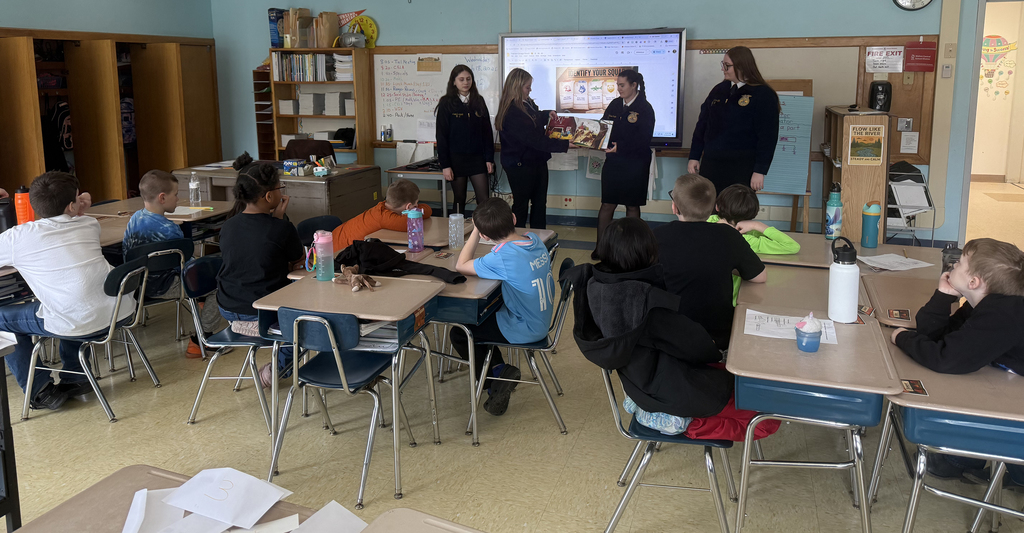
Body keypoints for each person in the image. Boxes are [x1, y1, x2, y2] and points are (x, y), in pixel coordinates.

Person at [565, 217, 779, 441]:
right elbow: (697, 348)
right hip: (672, 385)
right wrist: (715, 352)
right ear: (650, 252)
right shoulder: (648, 301)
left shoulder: (594, 287)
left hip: (639, 382)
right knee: (766, 418)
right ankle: (689, 424)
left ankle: (657, 410)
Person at [889, 238, 1024, 487]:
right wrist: (943, 296)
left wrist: (903, 338)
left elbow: (947, 359)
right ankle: (975, 462)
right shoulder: (988, 301)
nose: (952, 265)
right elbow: (942, 337)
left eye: (960, 262)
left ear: (974, 282)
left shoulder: (1002, 313)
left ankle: (1010, 470)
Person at [0, 172, 129, 410]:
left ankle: (39, 390)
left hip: (78, 320)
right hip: (117, 312)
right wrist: (80, 203)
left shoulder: (17, 238)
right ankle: (76, 377)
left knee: (4, 319)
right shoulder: (89, 224)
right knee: (72, 294)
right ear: (73, 206)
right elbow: (77, 211)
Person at [452, 199, 553, 416]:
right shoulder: (533, 240)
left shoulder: (503, 257)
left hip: (525, 327)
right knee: (482, 318)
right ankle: (498, 370)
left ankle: (493, 383)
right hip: (539, 318)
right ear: (514, 218)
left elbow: (461, 265)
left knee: (461, 332)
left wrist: (475, 232)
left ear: (485, 236)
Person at [217, 152, 304, 387]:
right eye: (280, 187)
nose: (282, 191)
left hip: (227, 306)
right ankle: (275, 371)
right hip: (260, 311)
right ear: (268, 195)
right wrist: (280, 220)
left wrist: (275, 219)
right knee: (308, 325)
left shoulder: (228, 226)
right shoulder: (281, 229)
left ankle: (247, 327)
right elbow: (299, 261)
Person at [654, 174, 767, 349]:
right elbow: (760, 277)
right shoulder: (729, 235)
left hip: (672, 334)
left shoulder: (658, 236)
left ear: (674, 207)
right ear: (714, 207)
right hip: (719, 336)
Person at [122, 170, 220, 357]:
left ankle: (201, 306)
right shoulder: (170, 230)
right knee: (219, 283)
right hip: (166, 285)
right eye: (175, 194)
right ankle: (202, 339)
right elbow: (184, 268)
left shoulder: (134, 219)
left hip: (138, 285)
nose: (178, 198)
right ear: (162, 197)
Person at [688, 46, 780, 194]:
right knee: (711, 213)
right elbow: (702, 125)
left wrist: (760, 170)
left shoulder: (763, 94)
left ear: (742, 66)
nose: (723, 69)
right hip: (712, 164)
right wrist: (694, 156)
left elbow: (768, 137)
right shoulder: (718, 90)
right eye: (722, 64)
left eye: (727, 66)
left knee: (735, 212)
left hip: (742, 167)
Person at [495, 68, 570, 230]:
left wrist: (546, 115)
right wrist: (564, 144)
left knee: (539, 202)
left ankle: (539, 238)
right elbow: (533, 139)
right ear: (516, 86)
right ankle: (516, 240)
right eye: (527, 87)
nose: (530, 90)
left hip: (536, 161)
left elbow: (533, 117)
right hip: (520, 165)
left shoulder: (526, 103)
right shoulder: (511, 111)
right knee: (521, 204)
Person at [593, 69, 656, 260]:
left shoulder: (645, 108)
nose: (618, 89)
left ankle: (632, 250)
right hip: (614, 163)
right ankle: (601, 248)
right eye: (617, 85)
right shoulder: (614, 104)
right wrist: (596, 140)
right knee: (607, 205)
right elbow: (603, 127)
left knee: (632, 207)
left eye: (622, 85)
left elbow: (644, 140)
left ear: (633, 85)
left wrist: (620, 147)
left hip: (635, 164)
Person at [708, 184, 800, 305]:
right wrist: (757, 225)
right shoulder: (747, 240)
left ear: (717, 207)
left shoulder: (707, 222)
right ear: (753, 214)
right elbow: (792, 246)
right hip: (730, 301)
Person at [435, 65, 495, 215]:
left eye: (468, 79)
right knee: (459, 198)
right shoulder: (446, 103)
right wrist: (445, 165)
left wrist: (489, 158)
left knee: (484, 199)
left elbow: (487, 133)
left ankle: (484, 233)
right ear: (454, 82)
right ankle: (456, 233)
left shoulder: (478, 101)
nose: (465, 82)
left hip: (477, 158)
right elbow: (441, 136)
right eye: (461, 79)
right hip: (456, 160)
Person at [331, 179, 432, 250]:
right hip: (334, 253)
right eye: (416, 204)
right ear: (408, 207)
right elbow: (426, 211)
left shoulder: (382, 207)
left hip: (334, 243)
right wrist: (417, 211)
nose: (418, 206)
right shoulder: (384, 217)